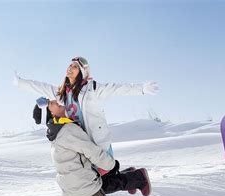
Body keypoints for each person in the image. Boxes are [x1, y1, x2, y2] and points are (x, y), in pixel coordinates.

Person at [14, 56, 159, 177]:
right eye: (70, 65)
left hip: (97, 140)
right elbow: (40, 86)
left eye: (75, 66)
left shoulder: (92, 89)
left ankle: (134, 177)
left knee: (97, 181)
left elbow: (116, 89)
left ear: (82, 72)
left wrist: (141, 89)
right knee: (94, 181)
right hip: (82, 143)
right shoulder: (62, 93)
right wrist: (20, 82)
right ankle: (132, 176)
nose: (70, 68)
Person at [33, 98, 151, 196]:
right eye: (51, 103)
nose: (55, 100)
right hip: (95, 159)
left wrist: (109, 163)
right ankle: (130, 176)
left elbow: (88, 148)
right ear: (52, 113)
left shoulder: (65, 125)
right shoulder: (62, 125)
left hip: (99, 154)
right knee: (96, 184)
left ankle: (137, 178)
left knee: (98, 189)